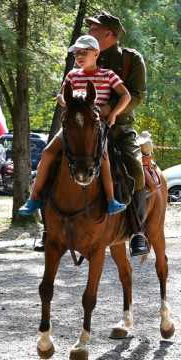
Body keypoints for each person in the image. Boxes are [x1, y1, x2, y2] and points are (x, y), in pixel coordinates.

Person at [19, 35, 130, 217]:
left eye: (83, 52)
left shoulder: (107, 75)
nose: (79, 56)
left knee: (104, 158)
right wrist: (68, 101)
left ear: (96, 53)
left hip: (95, 126)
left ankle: (111, 200)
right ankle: (34, 197)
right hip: (72, 125)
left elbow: (126, 96)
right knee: (48, 152)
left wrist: (113, 113)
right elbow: (61, 96)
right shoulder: (72, 75)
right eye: (77, 53)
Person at [86, 11, 149, 256]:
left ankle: (137, 231)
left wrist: (109, 108)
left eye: (94, 29)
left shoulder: (131, 59)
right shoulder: (85, 56)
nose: (90, 33)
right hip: (85, 127)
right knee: (53, 157)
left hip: (119, 128)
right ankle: (49, 227)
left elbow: (137, 95)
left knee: (135, 169)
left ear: (109, 34)